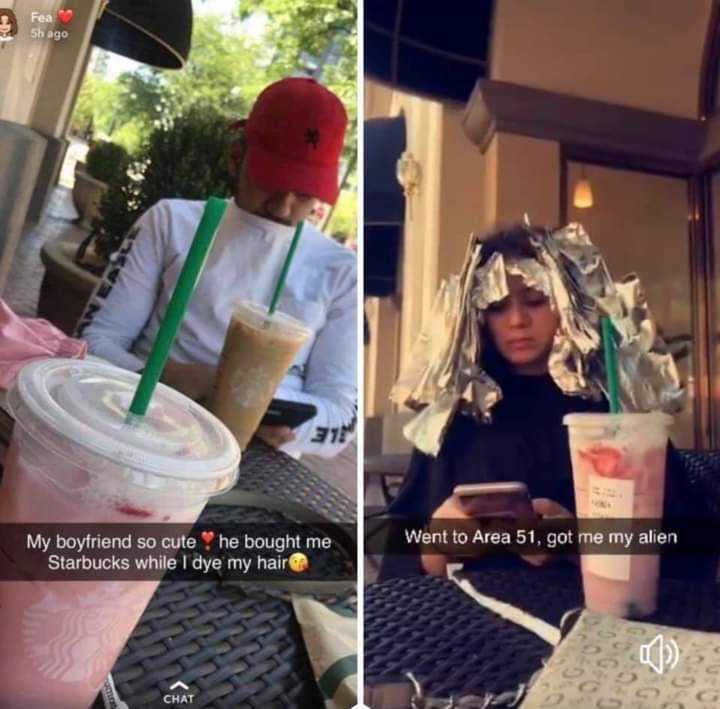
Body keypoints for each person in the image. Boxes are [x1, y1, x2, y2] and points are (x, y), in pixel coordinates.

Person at [383, 225, 713, 579]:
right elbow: (395, 564)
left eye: (536, 300)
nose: (517, 320)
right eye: (496, 306)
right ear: (476, 315)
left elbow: (694, 548)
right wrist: (436, 547)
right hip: (468, 619)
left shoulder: (616, 408)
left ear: (567, 300)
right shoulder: (454, 412)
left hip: (592, 615)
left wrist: (582, 544)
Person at [76, 78, 357, 459]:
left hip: (256, 458)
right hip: (141, 427)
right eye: (271, 180)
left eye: (304, 192)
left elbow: (341, 418)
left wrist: (271, 411)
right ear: (235, 157)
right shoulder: (171, 222)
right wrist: (166, 374)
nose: (282, 207)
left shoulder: (342, 272)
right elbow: (91, 344)